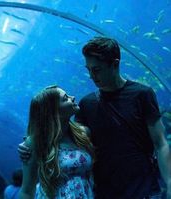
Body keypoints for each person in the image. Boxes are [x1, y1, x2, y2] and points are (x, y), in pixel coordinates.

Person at [18, 36, 171, 199]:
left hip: (143, 189)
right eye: (88, 69)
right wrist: (30, 144)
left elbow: (160, 143)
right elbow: (70, 139)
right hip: (104, 192)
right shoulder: (87, 104)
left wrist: (169, 182)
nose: (91, 75)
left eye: (96, 69)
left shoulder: (142, 94)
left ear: (115, 64)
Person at [18, 86, 94, 199]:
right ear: (53, 111)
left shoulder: (83, 134)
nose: (72, 97)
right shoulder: (36, 142)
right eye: (65, 98)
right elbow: (26, 191)